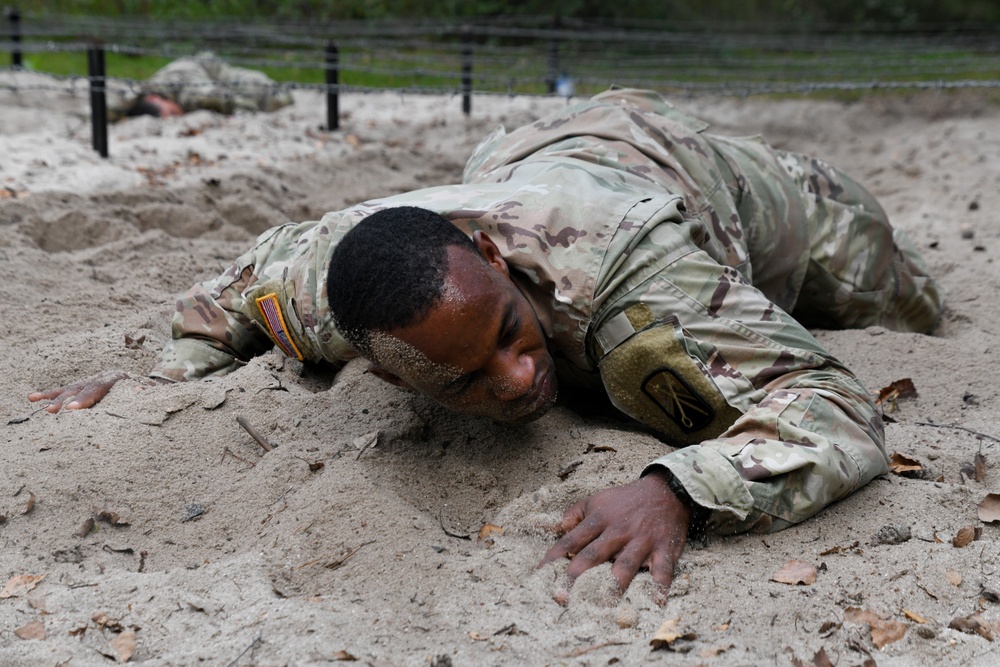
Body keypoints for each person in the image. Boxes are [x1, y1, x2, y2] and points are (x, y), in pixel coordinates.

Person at [31, 88, 941, 603]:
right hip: (526, 148)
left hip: (702, 178)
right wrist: (158, 378)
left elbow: (837, 407)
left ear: (496, 262)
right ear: (372, 363)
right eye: (464, 378)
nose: (518, 377)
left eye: (511, 332)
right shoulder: (321, 283)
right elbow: (223, 306)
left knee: (905, 296)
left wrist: (678, 488)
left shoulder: (633, 272)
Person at [113, 51, 293, 119]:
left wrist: (241, 112)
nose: (178, 117)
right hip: (197, 65)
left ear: (154, 98)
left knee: (276, 98)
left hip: (211, 70)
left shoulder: (192, 95)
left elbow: (228, 100)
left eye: (173, 113)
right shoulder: (137, 95)